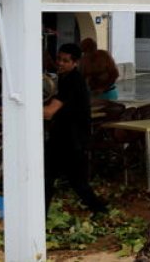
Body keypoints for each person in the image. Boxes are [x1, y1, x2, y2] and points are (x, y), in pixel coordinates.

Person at [43, 43, 107, 216]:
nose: (60, 63)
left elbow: (49, 113)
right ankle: (40, 215)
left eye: (65, 61)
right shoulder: (65, 79)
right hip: (63, 137)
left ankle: (100, 210)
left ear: (75, 63)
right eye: (59, 59)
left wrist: (22, 108)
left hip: (72, 140)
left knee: (76, 183)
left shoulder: (72, 81)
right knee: (50, 178)